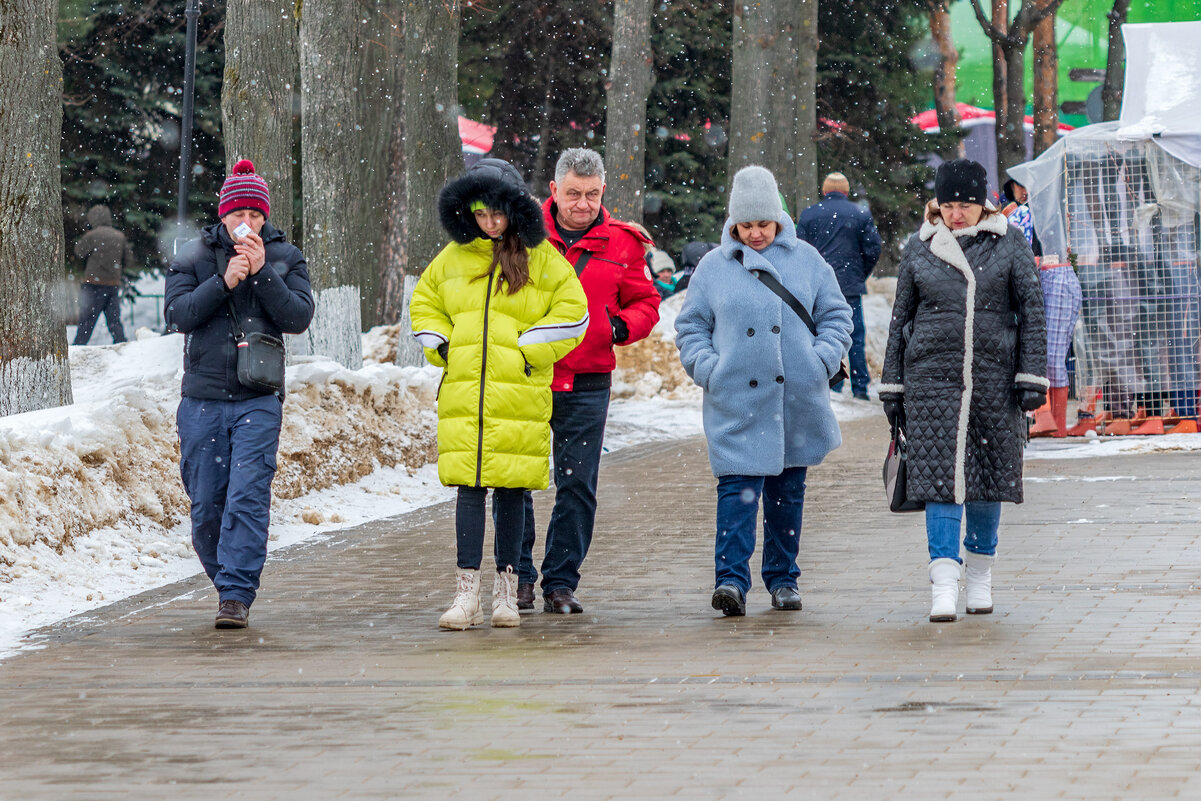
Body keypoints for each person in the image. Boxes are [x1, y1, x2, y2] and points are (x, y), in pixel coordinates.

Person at [410, 158, 588, 630]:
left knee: (510, 492)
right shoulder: (454, 255)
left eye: (497, 214)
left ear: (514, 209)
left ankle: (507, 592)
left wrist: (530, 349)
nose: (489, 223)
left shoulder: (543, 258)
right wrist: (441, 345)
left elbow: (575, 312)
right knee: (468, 489)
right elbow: (424, 302)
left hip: (518, 395)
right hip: (466, 393)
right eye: (481, 214)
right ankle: (465, 592)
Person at [675, 166, 853, 616]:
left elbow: (836, 315)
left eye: (763, 224)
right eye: (746, 225)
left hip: (795, 398)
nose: (755, 234)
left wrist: (822, 359)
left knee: (786, 493)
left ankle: (783, 579)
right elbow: (691, 325)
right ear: (732, 222)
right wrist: (708, 368)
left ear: (779, 219)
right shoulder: (714, 267)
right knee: (737, 491)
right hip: (736, 398)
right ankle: (730, 581)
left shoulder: (808, 259)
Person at [878, 159, 1047, 623]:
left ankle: (980, 575)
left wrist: (1031, 376)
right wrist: (893, 383)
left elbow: (1033, 310)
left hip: (994, 379)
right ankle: (943, 583)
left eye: (966, 205)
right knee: (939, 482)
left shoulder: (1009, 243)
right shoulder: (921, 247)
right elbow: (900, 320)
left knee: (988, 478)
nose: (957, 214)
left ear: (983, 203)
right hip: (932, 381)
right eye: (949, 205)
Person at [506, 147, 661, 615]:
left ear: (603, 192)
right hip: (528, 376)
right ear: (553, 190)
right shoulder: (522, 236)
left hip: (589, 380)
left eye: (592, 195)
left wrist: (618, 328)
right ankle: (517, 579)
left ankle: (560, 582)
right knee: (517, 481)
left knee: (577, 486)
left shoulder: (624, 243)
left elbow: (647, 301)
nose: (582, 204)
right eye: (573, 194)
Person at [164, 159, 314, 629]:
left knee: (248, 496)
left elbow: (297, 318)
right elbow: (178, 314)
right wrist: (224, 281)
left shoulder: (286, 256)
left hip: (258, 398)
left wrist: (264, 273)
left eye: (254, 214)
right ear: (222, 214)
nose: (246, 223)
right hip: (203, 398)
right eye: (237, 214)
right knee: (207, 503)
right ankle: (227, 580)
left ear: (265, 217)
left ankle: (235, 595)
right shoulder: (193, 254)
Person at [796, 172, 882, 400]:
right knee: (855, 336)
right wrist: (860, 274)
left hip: (819, 287)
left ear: (824, 191)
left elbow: (799, 250)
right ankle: (860, 388)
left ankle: (831, 386)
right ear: (846, 191)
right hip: (849, 285)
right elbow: (873, 249)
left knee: (823, 335)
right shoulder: (860, 213)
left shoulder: (809, 214)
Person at [73, 204, 136, 345]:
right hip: (112, 285)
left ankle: (77, 349)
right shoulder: (119, 236)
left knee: (86, 322)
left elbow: (79, 252)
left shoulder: (92, 235)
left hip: (92, 284)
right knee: (114, 321)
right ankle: (124, 348)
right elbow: (128, 260)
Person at [1001, 177, 1042, 256]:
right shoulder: (1003, 212)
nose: (1025, 192)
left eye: (1028, 187)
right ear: (1012, 185)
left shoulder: (1039, 211)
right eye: (1021, 186)